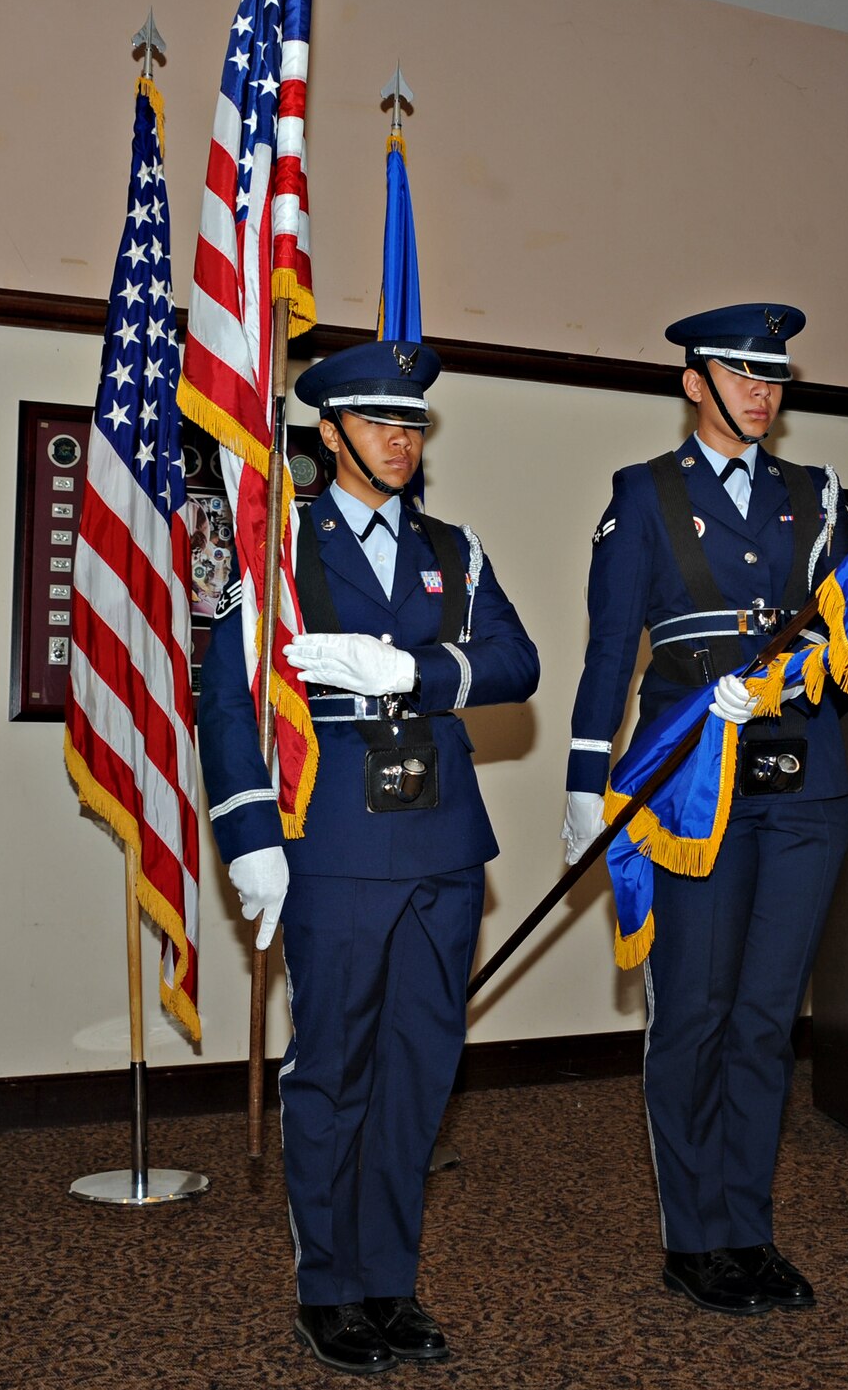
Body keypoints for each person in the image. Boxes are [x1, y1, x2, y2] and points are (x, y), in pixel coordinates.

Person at [197, 341, 538, 1374]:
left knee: (418, 1071)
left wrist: (414, 667)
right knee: (333, 1068)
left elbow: (515, 661)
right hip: (331, 833)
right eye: (381, 423)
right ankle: (328, 1287)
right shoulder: (279, 551)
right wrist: (250, 835)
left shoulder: (452, 546)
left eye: (414, 424)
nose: (402, 440)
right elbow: (225, 708)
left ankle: (390, 1278)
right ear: (328, 432)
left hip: (439, 835)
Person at [563, 304, 848, 1315]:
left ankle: (747, 1228)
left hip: (802, 775)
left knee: (767, 1019)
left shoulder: (814, 496)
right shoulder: (643, 495)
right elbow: (610, 651)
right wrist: (580, 778)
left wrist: (806, 664)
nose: (758, 389)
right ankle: (693, 1238)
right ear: (694, 381)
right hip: (689, 775)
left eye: (771, 375)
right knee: (694, 1010)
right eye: (737, 371)